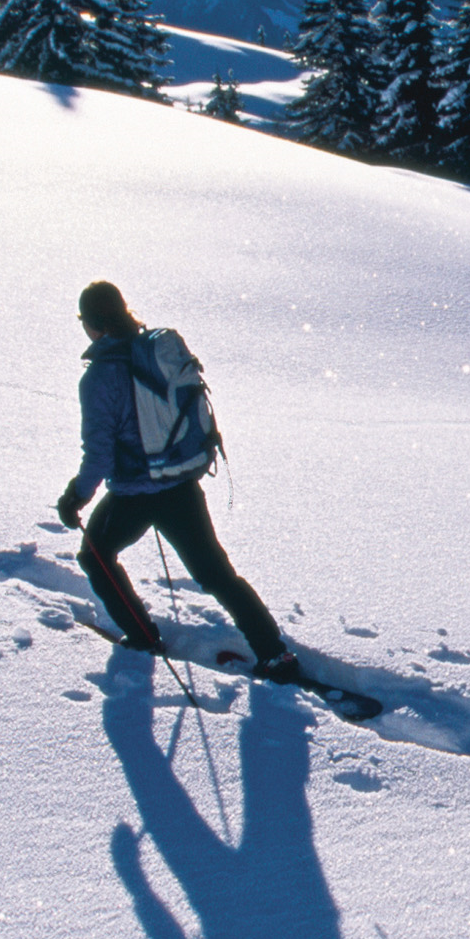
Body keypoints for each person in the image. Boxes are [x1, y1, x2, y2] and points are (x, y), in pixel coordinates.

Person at [57, 280, 307, 680]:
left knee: (94, 555)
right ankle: (274, 653)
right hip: (180, 484)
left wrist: (75, 497)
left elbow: (99, 455)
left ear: (93, 324)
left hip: (134, 493)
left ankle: (142, 637)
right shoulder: (156, 353)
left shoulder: (99, 377)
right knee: (216, 574)